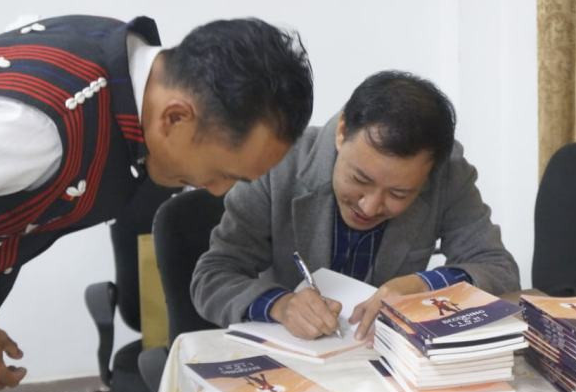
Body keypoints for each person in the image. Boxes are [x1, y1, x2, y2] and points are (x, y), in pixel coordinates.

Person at [0, 14, 313, 392]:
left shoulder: (124, 71)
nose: (217, 191)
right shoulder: (35, 129)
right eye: (225, 173)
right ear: (175, 116)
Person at [192, 70, 519, 342]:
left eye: (399, 193)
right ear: (342, 132)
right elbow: (213, 276)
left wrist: (424, 286)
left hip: (387, 362)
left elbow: (498, 269)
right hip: (294, 361)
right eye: (360, 180)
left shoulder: (448, 174)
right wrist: (281, 304)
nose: (371, 205)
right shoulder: (277, 164)